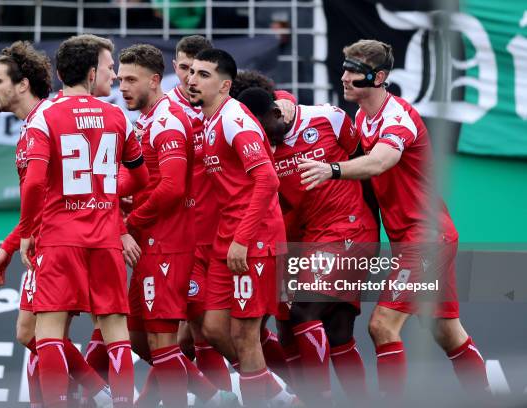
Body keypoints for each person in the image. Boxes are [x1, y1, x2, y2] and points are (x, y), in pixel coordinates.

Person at [298, 39, 489, 397]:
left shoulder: (397, 117)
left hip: (425, 239)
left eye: (353, 72)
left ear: (379, 77)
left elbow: (381, 161)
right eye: (344, 69)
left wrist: (332, 170)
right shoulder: (361, 116)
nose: (344, 77)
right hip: (413, 239)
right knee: (447, 334)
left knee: (382, 326)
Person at [18, 34, 149, 407]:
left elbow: (34, 184)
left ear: (61, 73)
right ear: (91, 74)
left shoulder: (45, 115)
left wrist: (28, 231)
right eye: (109, 69)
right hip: (106, 237)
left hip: (60, 238)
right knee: (115, 332)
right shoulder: (116, 117)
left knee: (50, 331)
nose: (112, 75)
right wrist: (106, 188)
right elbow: (141, 178)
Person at [0, 40, 116, 408]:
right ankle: (86, 395)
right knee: (35, 334)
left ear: (22, 84)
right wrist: (10, 244)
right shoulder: (39, 121)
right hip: (55, 237)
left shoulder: (49, 120)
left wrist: (21, 239)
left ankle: (98, 395)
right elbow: (43, 199)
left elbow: (50, 193)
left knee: (37, 333)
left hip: (64, 241)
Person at [238, 87, 377, 403]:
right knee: (336, 331)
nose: (261, 137)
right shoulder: (263, 149)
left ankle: (317, 399)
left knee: (304, 310)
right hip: (304, 242)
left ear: (276, 113)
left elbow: (365, 166)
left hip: (348, 230)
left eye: (263, 129)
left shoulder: (328, 118)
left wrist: (373, 228)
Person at [117, 43, 234, 408]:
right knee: (138, 338)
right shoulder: (149, 119)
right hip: (152, 241)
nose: (122, 88)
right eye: (119, 79)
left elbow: (172, 186)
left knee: (163, 341)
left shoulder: (167, 120)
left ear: (154, 81)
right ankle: (215, 396)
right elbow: (148, 180)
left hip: (168, 243)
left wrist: (131, 220)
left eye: (130, 80)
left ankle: (244, 392)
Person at [188, 48, 299, 407]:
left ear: (225, 85)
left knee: (245, 335)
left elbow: (268, 181)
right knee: (214, 329)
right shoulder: (209, 120)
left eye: (204, 75)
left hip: (252, 241)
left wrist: (243, 239)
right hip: (228, 239)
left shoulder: (235, 119)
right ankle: (281, 395)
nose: (192, 80)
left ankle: (271, 397)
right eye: (191, 72)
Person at [166, 35, 235, 393]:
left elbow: (273, 106)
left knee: (214, 330)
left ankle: (265, 387)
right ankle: (229, 393)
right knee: (191, 331)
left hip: (227, 235)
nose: (189, 78)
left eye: (197, 71)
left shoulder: (228, 110)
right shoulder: (167, 112)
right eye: (183, 69)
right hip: (185, 233)